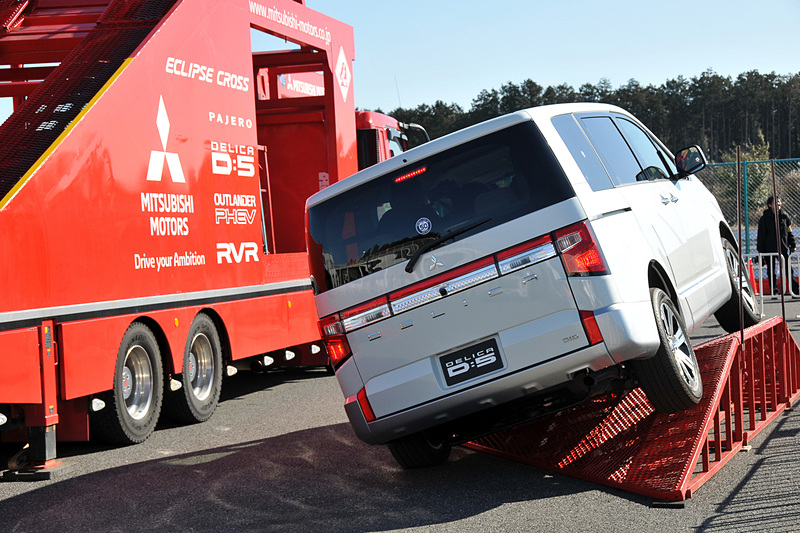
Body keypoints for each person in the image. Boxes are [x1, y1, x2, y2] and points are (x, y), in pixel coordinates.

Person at [756, 196, 798, 294]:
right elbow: (761, 235)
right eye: (775, 202)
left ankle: (795, 290)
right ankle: (774, 291)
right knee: (771, 271)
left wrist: (792, 244)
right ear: (770, 205)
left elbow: (789, 232)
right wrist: (760, 250)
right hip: (769, 249)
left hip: (783, 247)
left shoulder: (784, 217)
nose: (778, 204)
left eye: (779, 202)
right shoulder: (764, 219)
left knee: (788, 269)